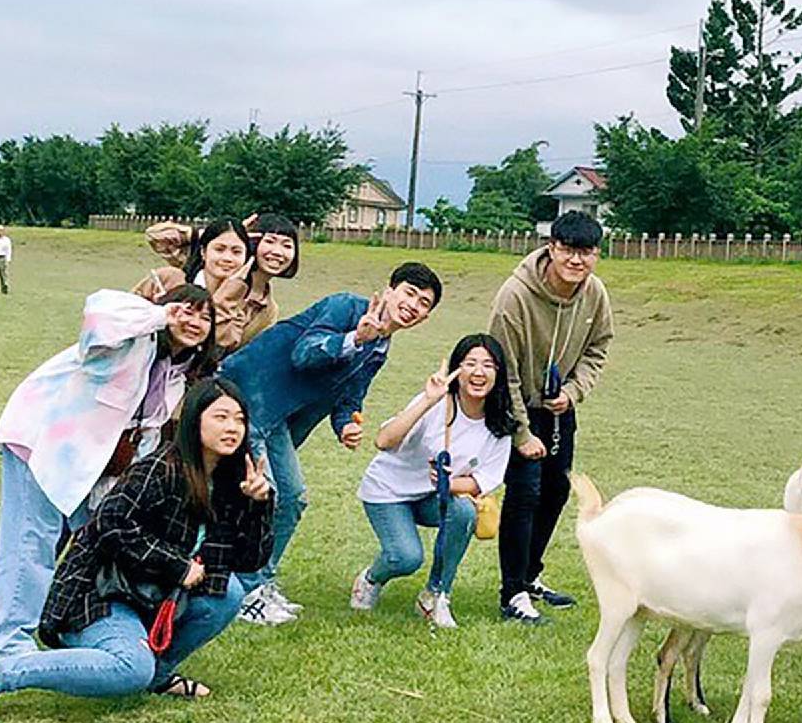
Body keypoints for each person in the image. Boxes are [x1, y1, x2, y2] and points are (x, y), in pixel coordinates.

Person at [0, 379, 275, 723]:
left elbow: (248, 562)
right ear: (194, 419)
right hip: (101, 594)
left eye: (239, 419)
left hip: (150, 595)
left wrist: (258, 505)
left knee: (228, 593)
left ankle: (158, 674)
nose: (232, 428)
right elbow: (110, 523)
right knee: (129, 668)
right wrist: (177, 565)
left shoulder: (231, 482)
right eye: (221, 417)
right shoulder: (161, 468)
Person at [0, 285, 219, 661]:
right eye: (186, 310)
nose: (194, 321)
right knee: (31, 545)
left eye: (205, 316)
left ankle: (70, 622)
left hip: (92, 466)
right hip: (43, 444)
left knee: (89, 539)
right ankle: (6, 647)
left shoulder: (177, 374)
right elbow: (99, 309)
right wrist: (160, 316)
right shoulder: (126, 342)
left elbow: (144, 435)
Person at [219, 262, 444, 625]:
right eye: (410, 294)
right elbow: (304, 353)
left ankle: (260, 582)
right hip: (249, 401)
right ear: (389, 290)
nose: (414, 305)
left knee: (291, 498)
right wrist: (356, 336)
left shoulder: (381, 347)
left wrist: (345, 426)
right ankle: (245, 590)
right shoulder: (346, 308)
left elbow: (349, 398)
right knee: (267, 497)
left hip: (275, 420)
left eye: (424, 304)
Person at [489, 210, 615, 625]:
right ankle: (512, 594)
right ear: (552, 248)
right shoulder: (515, 295)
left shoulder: (595, 293)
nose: (577, 261)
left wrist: (573, 392)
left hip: (560, 410)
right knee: (524, 493)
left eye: (587, 253)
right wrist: (522, 432)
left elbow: (599, 347)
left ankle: (529, 576)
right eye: (569, 251)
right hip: (517, 406)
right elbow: (501, 368)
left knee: (556, 491)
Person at [351, 334, 516, 629]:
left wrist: (447, 483)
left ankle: (436, 595)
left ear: (499, 374)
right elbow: (383, 440)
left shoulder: (500, 422)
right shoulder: (438, 403)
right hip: (389, 491)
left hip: (432, 497)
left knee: (465, 512)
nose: (478, 373)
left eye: (488, 365)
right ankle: (370, 578)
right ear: (457, 370)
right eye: (470, 364)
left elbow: (483, 480)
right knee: (406, 557)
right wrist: (428, 400)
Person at [187, 214, 299, 353]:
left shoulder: (269, 310)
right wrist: (227, 233)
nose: (277, 252)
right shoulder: (219, 276)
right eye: (270, 241)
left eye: (287, 245)